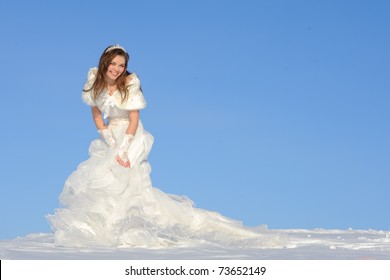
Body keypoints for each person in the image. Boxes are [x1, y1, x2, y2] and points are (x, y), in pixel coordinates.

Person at [47, 44, 285, 248]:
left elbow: (134, 119)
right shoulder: (94, 83)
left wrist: (123, 147)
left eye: (121, 65)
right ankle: (105, 227)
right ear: (105, 62)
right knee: (103, 176)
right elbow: (97, 116)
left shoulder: (130, 83)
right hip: (111, 134)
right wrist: (110, 141)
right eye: (113, 64)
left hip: (131, 134)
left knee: (126, 175)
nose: (117, 69)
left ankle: (132, 225)